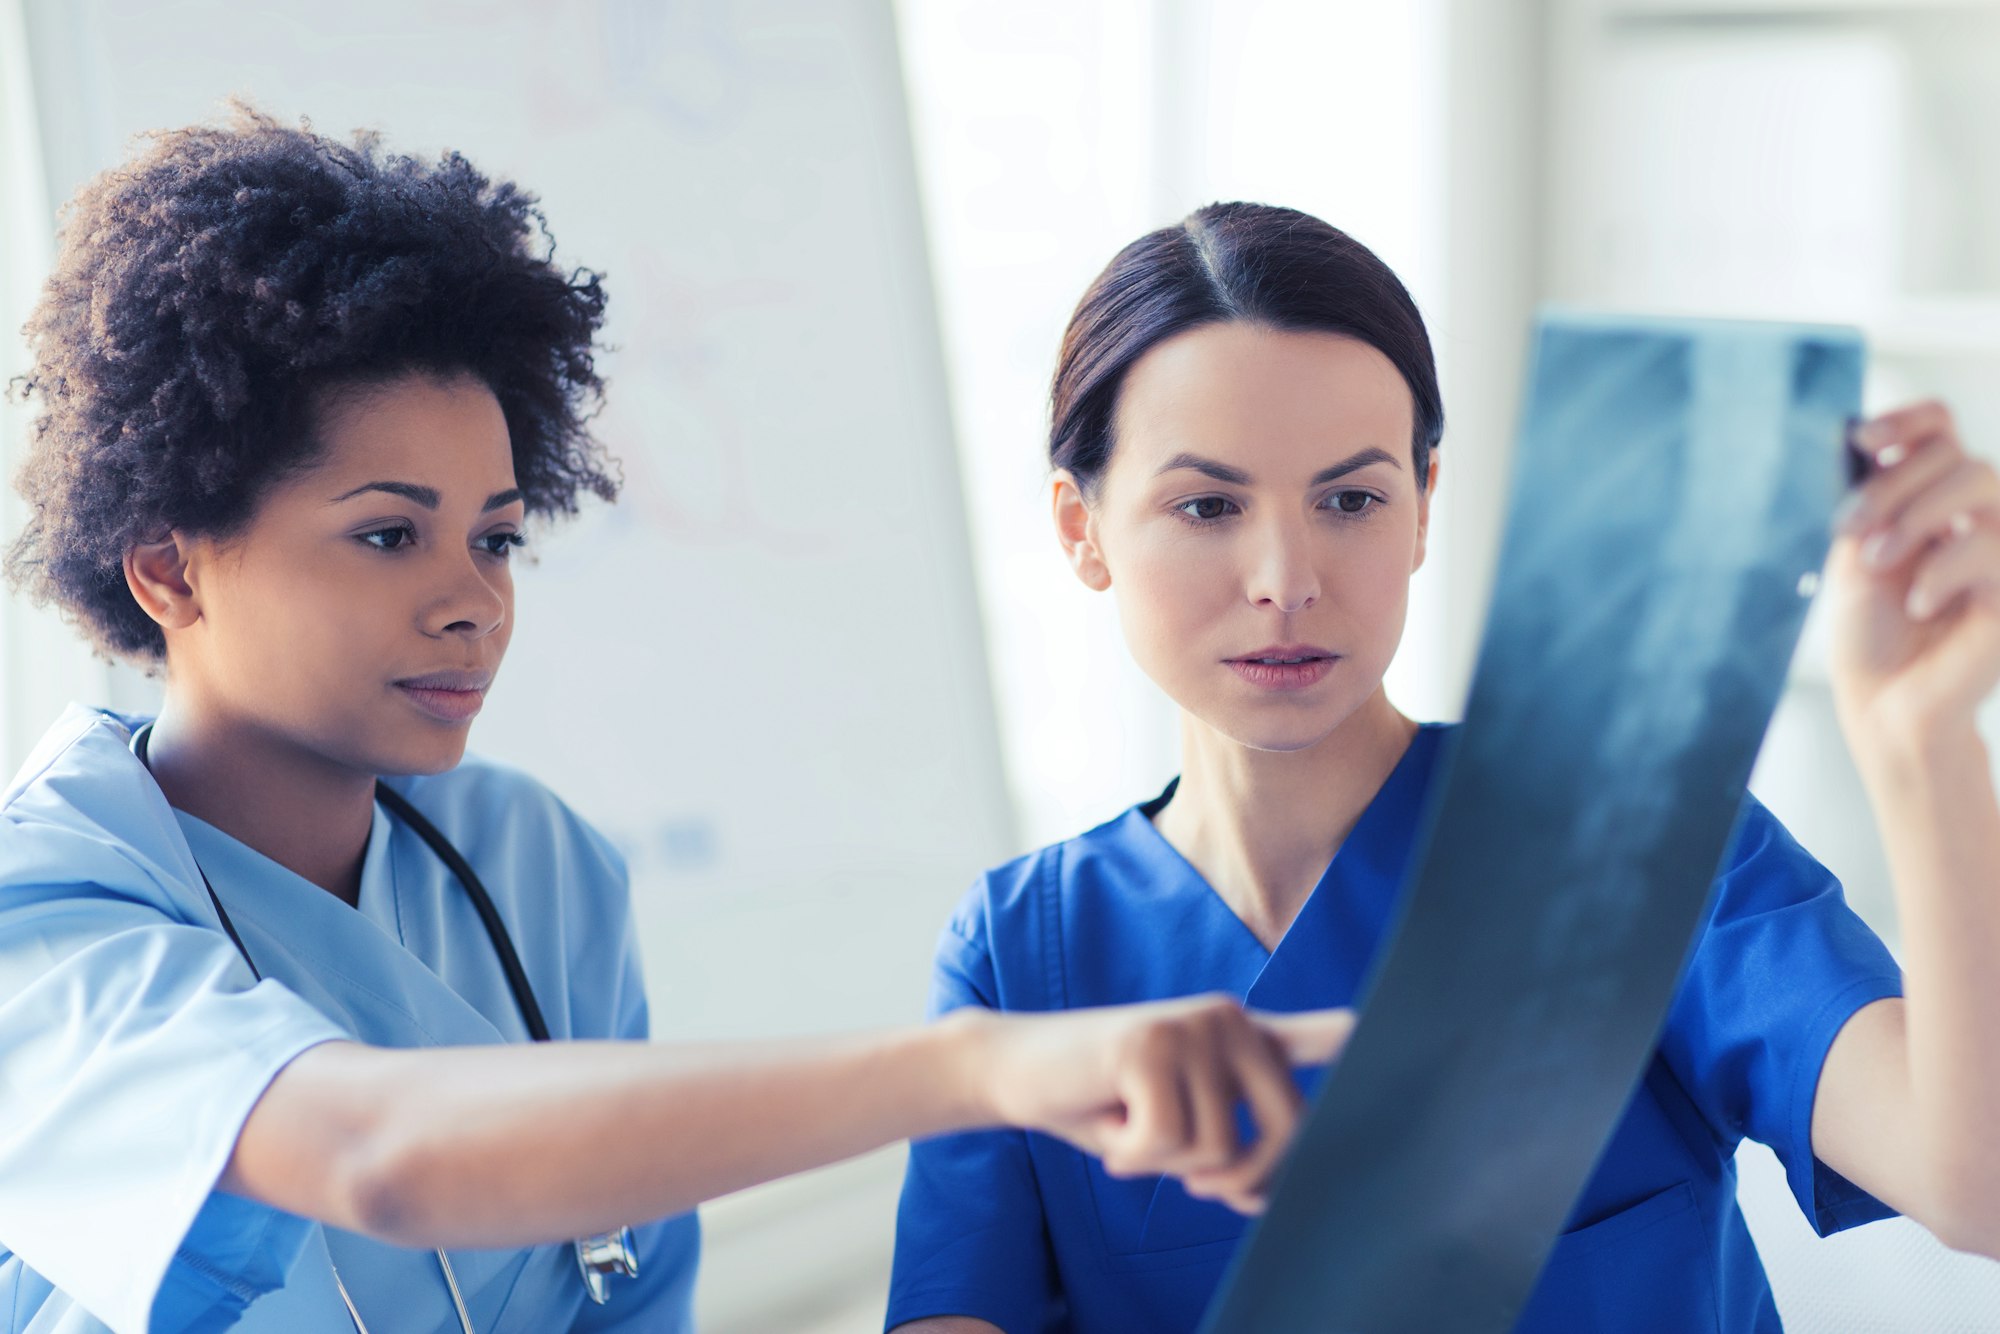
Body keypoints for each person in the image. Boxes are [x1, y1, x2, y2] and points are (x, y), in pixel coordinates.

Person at [0, 120, 1352, 1334]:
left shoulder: (537, 862)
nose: (472, 601)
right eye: (386, 533)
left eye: (497, 537)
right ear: (169, 567)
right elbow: (373, 1154)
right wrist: (979, 1066)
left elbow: (632, 1293)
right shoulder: (42, 912)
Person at [885, 201, 2000, 1333]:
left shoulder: (1628, 834)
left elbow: (1976, 1186)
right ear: (1082, 529)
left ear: (1423, 505)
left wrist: (1927, 741)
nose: (1284, 576)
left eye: (1350, 498)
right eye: (1207, 504)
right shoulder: (1022, 954)